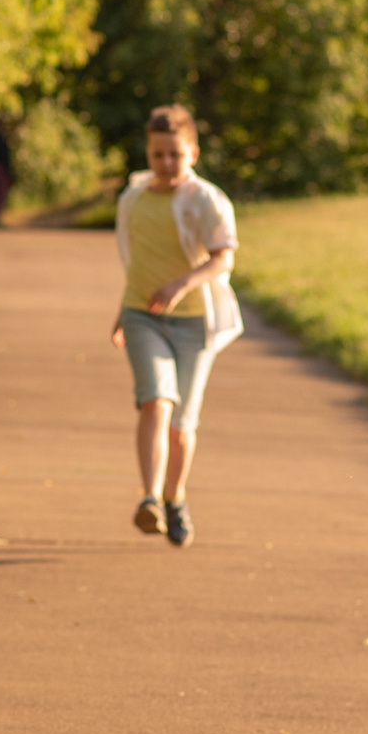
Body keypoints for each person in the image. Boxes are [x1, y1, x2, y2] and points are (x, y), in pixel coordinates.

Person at [108, 105, 242, 548]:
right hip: (142, 315)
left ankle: (174, 497)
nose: (166, 164)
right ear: (147, 153)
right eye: (157, 154)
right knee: (156, 402)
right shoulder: (133, 198)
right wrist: (123, 309)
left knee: (182, 424)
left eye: (175, 155)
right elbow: (136, 260)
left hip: (193, 323)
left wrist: (184, 284)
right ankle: (148, 498)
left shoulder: (205, 199)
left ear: (193, 154)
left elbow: (225, 255)